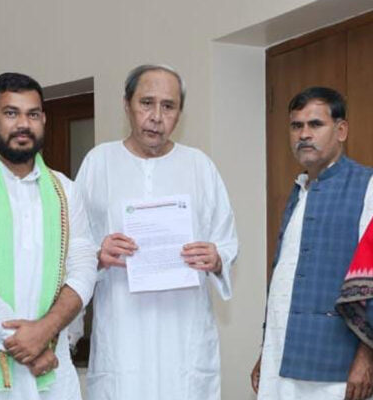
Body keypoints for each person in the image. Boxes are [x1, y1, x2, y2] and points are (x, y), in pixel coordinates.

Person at [75, 64, 238, 400]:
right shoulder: (98, 162)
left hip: (184, 333)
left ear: (180, 113)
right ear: (127, 104)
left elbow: (226, 240)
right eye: (146, 103)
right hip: (122, 332)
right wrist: (98, 255)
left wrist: (217, 258)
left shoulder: (199, 166)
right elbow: (73, 244)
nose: (156, 117)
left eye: (168, 106)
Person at [0, 72, 97, 399]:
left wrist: (45, 331)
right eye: (11, 113)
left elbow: (84, 268)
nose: (23, 124)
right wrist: (28, 345)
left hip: (53, 364)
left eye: (32, 114)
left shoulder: (65, 190)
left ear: (44, 119)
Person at [251, 87, 373, 400]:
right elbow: (286, 281)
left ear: (341, 130)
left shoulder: (367, 186)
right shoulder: (299, 190)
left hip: (337, 367)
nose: (304, 134)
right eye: (296, 126)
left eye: (315, 124)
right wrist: (268, 353)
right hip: (284, 360)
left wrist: (367, 357)